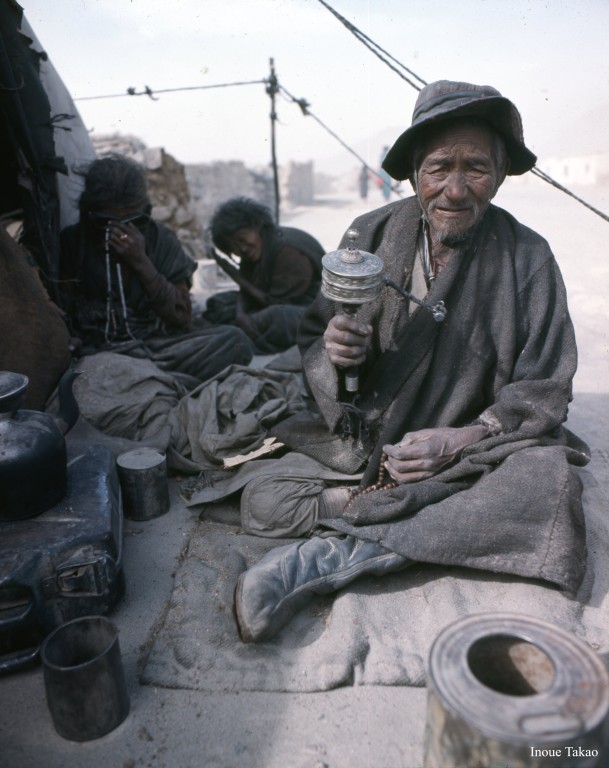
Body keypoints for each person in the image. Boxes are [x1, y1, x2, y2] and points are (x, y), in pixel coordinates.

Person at [232, 80, 590, 643]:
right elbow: (315, 335)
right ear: (415, 172)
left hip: (470, 451)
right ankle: (373, 505)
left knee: (548, 485)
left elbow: (544, 385)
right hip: (370, 439)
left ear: (500, 174)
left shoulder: (529, 256)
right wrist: (338, 355)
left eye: (476, 168)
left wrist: (463, 438)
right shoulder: (370, 234)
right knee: (263, 500)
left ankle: (341, 553)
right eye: (439, 167)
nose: (455, 190)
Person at [58, 154, 253, 384]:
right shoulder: (72, 243)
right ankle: (156, 381)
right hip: (99, 352)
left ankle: (146, 380)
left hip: (158, 349)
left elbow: (182, 318)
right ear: (89, 214)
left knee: (234, 341)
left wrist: (141, 262)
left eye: (133, 221)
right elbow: (61, 311)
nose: (121, 232)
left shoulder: (161, 240)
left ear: (146, 212)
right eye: (107, 222)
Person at [204, 197, 325, 354]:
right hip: (271, 302)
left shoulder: (288, 251)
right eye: (234, 247)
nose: (242, 249)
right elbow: (245, 291)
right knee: (219, 302)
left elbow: (275, 303)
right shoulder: (256, 249)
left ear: (256, 225)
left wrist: (237, 277)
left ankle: (236, 336)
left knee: (277, 316)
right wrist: (240, 314)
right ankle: (238, 331)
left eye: (242, 239)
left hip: (310, 311)